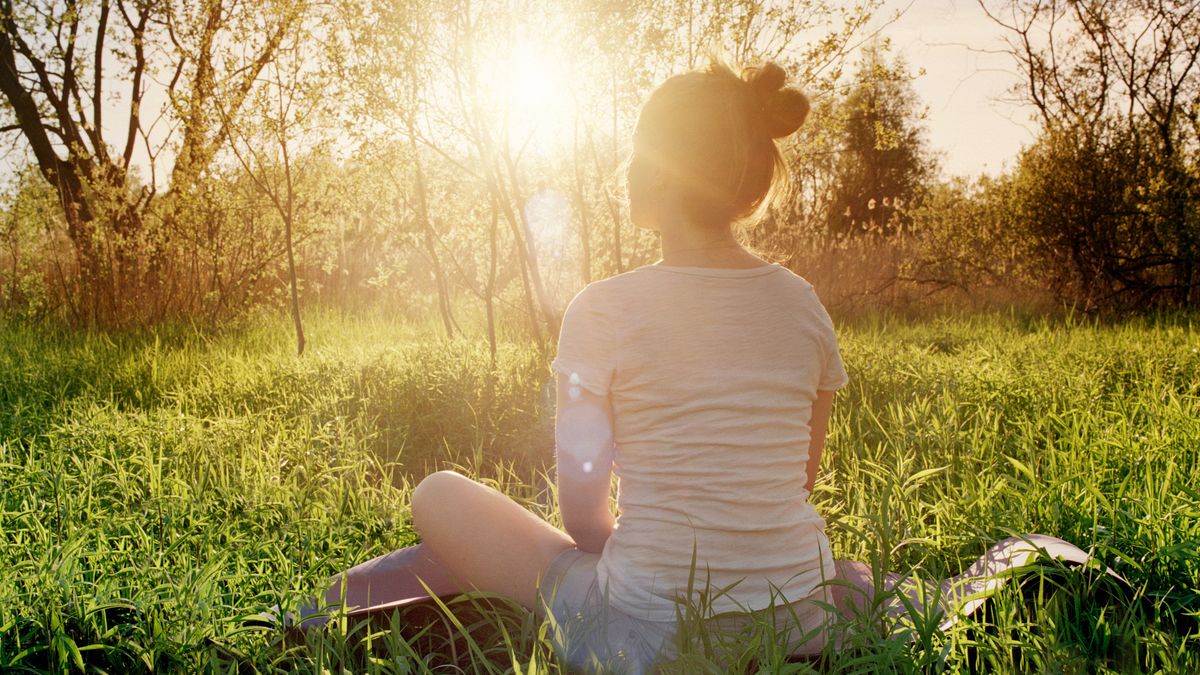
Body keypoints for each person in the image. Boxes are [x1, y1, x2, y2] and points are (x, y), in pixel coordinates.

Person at [303, 60, 846, 673]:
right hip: (803, 623)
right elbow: (799, 480)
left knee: (438, 495)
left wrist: (641, 562)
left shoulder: (604, 308)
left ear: (665, 174)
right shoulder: (802, 303)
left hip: (644, 640)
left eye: (640, 150)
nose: (629, 167)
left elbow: (585, 520)